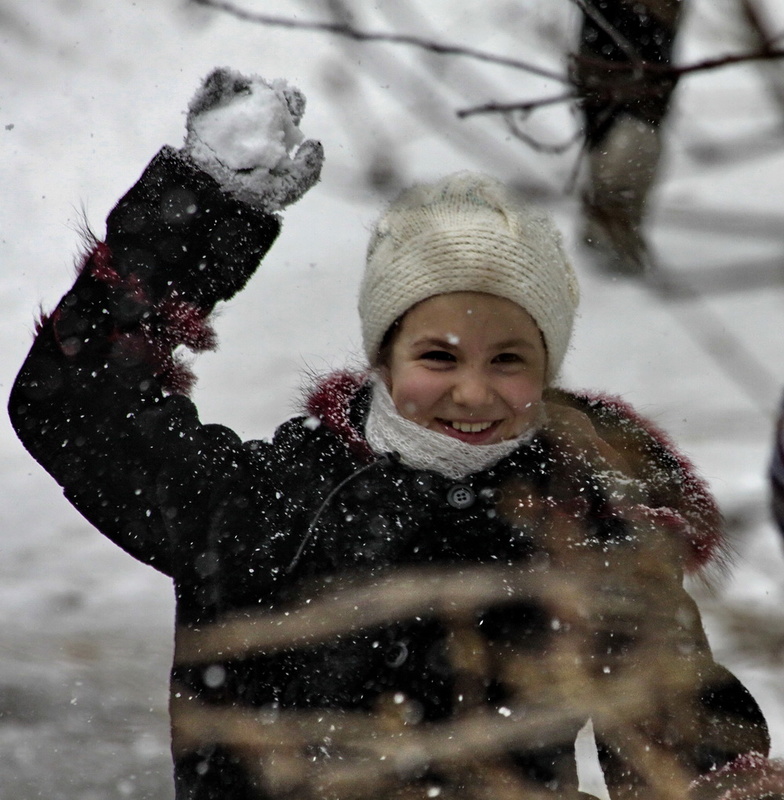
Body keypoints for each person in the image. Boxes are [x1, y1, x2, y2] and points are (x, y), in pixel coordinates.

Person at [8, 69, 774, 800]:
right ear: (382, 357)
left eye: (510, 359)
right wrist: (204, 208)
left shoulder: (586, 529)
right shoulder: (271, 507)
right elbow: (76, 400)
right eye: (438, 356)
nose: (473, 391)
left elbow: (688, 750)